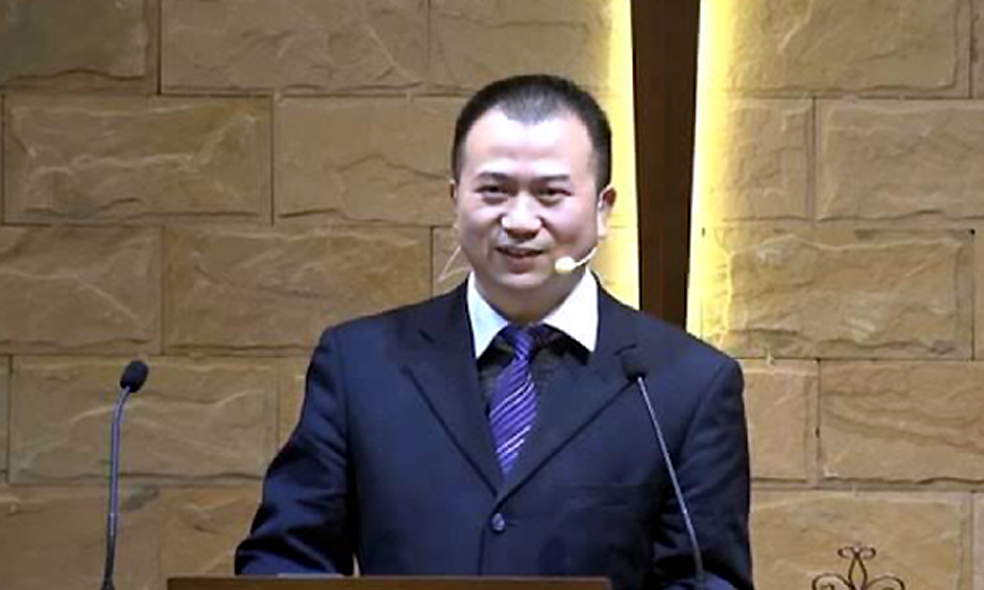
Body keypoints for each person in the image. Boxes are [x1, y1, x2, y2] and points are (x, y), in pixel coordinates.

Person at [235, 74, 752, 590]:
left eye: (551, 194)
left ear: (602, 209)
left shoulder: (687, 385)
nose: (520, 220)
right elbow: (287, 558)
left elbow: (707, 582)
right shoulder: (360, 364)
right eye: (494, 191)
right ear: (456, 199)